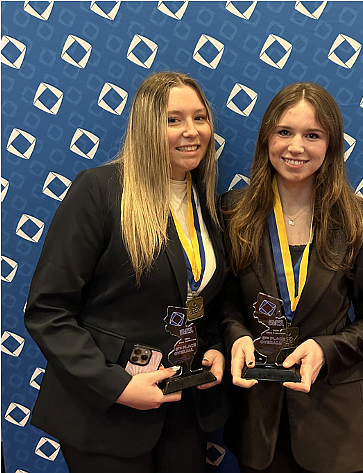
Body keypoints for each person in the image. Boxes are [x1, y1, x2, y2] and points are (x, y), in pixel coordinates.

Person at [24, 71, 231, 473]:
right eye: (173, 120)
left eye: (200, 118)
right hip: (104, 415)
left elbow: (197, 299)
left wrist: (213, 348)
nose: (191, 131)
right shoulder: (99, 190)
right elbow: (47, 311)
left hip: (182, 407)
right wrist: (117, 386)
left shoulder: (207, 203)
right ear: (146, 127)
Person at [220, 82, 363, 473]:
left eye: (312, 135)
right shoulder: (233, 213)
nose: (296, 147)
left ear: (331, 144)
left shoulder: (359, 220)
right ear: (266, 137)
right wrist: (237, 336)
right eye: (284, 131)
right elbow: (226, 303)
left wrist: (326, 349)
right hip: (258, 417)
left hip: (331, 417)